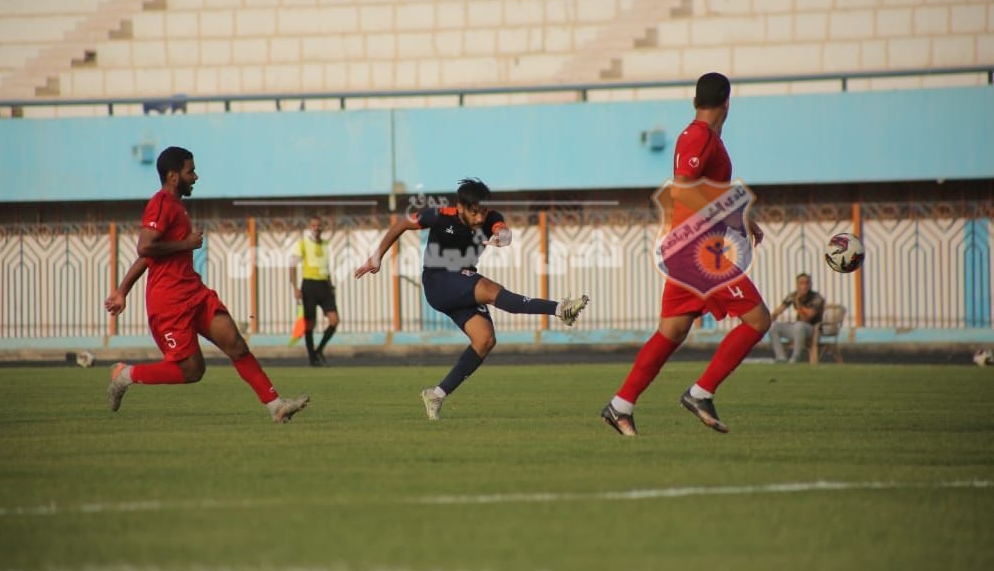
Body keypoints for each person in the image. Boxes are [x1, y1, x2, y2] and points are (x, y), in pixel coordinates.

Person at [600, 72, 772, 436]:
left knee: (672, 331)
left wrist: (743, 217)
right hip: (696, 251)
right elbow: (682, 191)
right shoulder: (698, 136)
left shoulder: (705, 137)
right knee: (758, 320)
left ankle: (621, 405)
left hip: (688, 247)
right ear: (728, 102)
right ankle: (701, 392)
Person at [354, 178, 590, 420]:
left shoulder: (490, 218)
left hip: (462, 282)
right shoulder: (440, 215)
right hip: (438, 281)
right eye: (474, 212)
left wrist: (502, 236)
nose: (480, 218)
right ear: (461, 207)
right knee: (489, 289)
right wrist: (377, 256)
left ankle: (436, 394)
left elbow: (503, 232)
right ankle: (560, 309)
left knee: (485, 339)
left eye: (483, 212)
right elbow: (403, 223)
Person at [103, 146, 310, 423]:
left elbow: (150, 255)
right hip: (169, 302)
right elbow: (145, 247)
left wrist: (122, 290)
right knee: (192, 371)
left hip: (193, 292)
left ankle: (276, 406)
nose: (196, 177)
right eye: (191, 171)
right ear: (174, 176)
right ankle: (125, 375)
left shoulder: (177, 206)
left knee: (236, 344)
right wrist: (185, 244)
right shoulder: (161, 202)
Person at [289, 216, 339, 366]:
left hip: (324, 285)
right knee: (310, 323)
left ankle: (319, 350)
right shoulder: (303, 244)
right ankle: (312, 358)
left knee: (334, 320)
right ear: (310, 227)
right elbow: (292, 266)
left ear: (322, 227)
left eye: (319, 226)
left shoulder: (325, 244)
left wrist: (331, 285)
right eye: (314, 226)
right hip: (309, 285)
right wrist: (295, 288)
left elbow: (326, 267)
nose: (316, 228)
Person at [768, 273, 825, 363]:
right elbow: (778, 311)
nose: (804, 286)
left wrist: (798, 304)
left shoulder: (817, 298)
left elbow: (806, 319)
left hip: (813, 330)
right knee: (773, 327)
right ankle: (781, 358)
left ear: (811, 284)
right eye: (801, 283)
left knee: (799, 325)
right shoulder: (793, 295)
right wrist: (766, 321)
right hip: (798, 329)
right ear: (797, 285)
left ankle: (795, 359)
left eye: (807, 283)